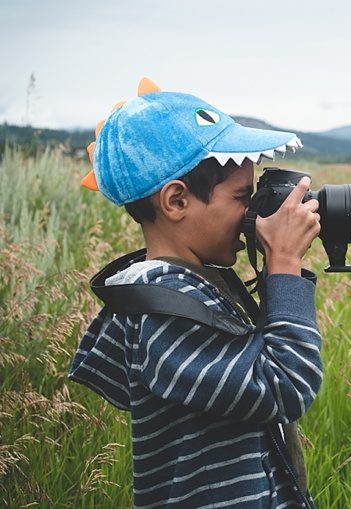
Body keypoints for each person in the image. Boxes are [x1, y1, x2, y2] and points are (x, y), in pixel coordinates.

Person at [69, 77, 322, 508]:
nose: (254, 213)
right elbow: (285, 387)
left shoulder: (194, 285)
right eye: (243, 197)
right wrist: (283, 264)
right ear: (176, 202)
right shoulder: (162, 309)